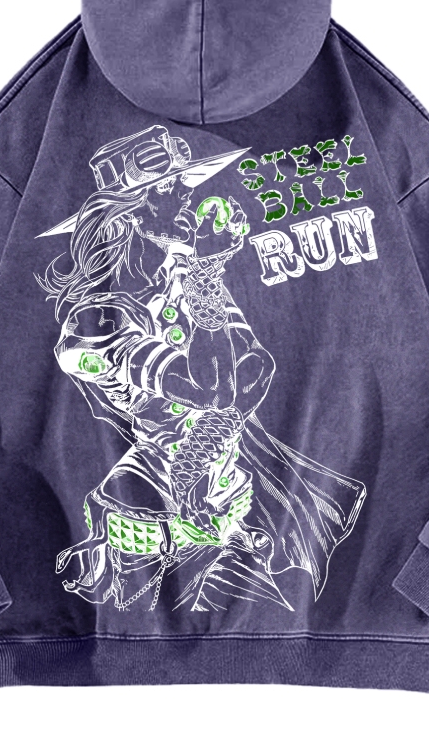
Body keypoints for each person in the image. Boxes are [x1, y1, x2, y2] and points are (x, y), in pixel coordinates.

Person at [37, 125, 366, 612]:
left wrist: (204, 444)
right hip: (151, 524)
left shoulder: (185, 276)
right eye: (169, 187)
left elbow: (256, 367)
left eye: (184, 183)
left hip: (231, 499)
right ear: (128, 213)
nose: (187, 196)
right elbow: (209, 388)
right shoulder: (95, 322)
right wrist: (206, 272)